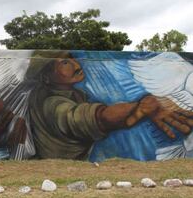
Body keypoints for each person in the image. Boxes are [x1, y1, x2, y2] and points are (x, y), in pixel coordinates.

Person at [27, 51, 193, 160]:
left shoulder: (68, 93)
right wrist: (143, 106)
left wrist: (138, 112)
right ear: (46, 77)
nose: (76, 65)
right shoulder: (52, 104)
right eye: (64, 63)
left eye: (72, 58)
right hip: (63, 171)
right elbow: (96, 117)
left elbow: (116, 120)